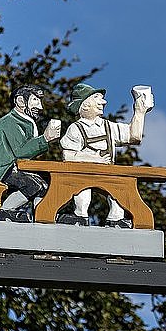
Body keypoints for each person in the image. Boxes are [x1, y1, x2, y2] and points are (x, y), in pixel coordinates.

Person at [58, 83, 153, 227]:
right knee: (82, 192)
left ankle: (115, 218)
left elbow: (134, 136)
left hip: (108, 173)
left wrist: (140, 111)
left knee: (119, 189)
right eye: (97, 97)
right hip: (83, 174)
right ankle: (80, 216)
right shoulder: (75, 129)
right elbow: (68, 156)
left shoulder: (108, 126)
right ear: (85, 104)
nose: (103, 102)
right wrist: (94, 159)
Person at [0, 84, 61, 223]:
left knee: (43, 186)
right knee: (32, 185)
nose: (41, 107)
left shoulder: (25, 122)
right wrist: (45, 139)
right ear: (20, 101)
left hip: (9, 167)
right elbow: (20, 152)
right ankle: (5, 211)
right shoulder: (9, 122)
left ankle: (42, 215)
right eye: (35, 100)